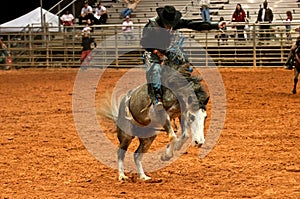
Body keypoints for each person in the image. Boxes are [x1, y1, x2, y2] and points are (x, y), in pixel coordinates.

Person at [140, 5, 225, 110]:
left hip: (166, 50)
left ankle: (191, 92)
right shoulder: (151, 26)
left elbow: (192, 24)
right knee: (156, 70)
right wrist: (156, 51)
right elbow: (144, 42)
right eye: (168, 24)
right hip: (152, 52)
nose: (170, 26)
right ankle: (157, 99)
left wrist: (215, 25)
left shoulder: (173, 23)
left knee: (184, 63)